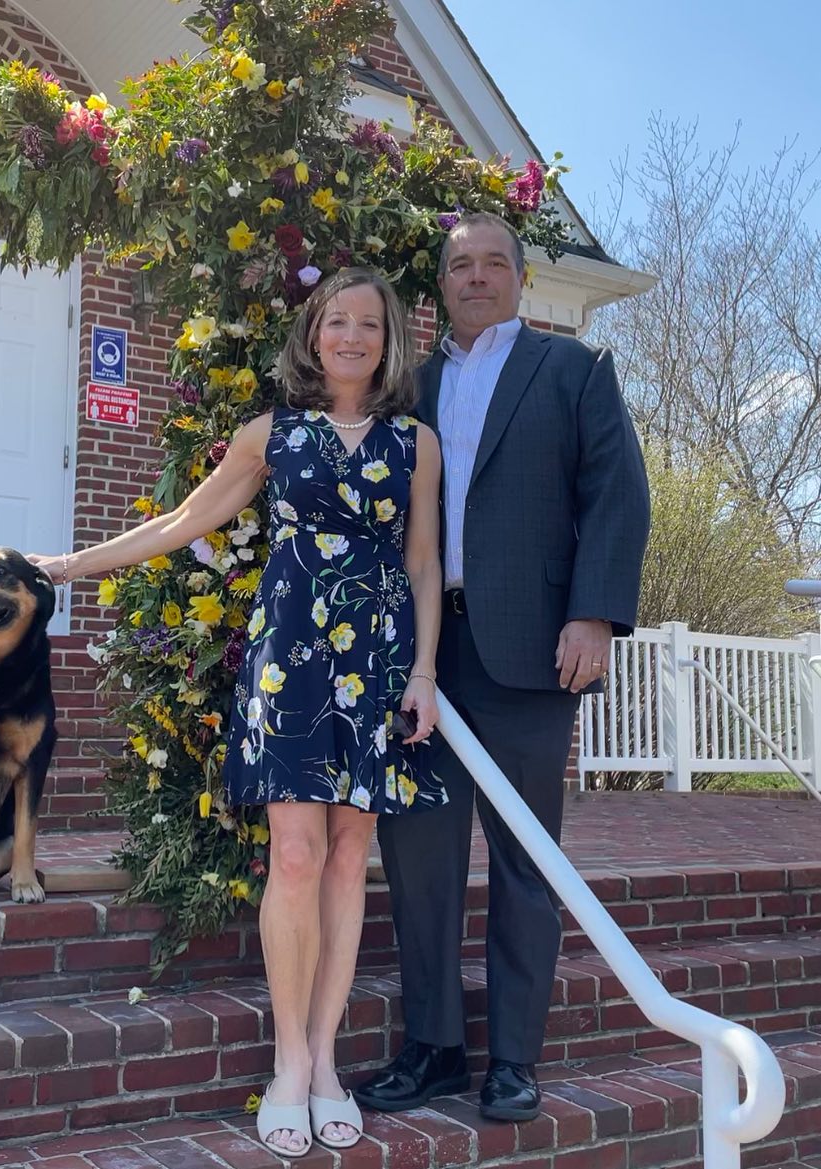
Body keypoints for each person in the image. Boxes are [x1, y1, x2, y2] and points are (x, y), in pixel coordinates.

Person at [30, 267, 448, 1157]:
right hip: (291, 657)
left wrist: (422, 671)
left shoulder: (417, 441)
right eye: (337, 320)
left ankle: (329, 1058)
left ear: (387, 341)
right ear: (313, 332)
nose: (351, 336)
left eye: (368, 324)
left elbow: (420, 562)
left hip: (373, 659)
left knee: (346, 858)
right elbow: (181, 520)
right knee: (294, 854)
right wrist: (69, 566)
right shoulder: (270, 433)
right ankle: (289, 1062)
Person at [354, 212, 650, 1123]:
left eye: (491, 264)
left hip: (529, 652)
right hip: (425, 655)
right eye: (458, 266)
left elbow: (616, 492)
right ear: (440, 283)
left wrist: (593, 613)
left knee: (526, 860)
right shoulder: (410, 384)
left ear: (518, 278)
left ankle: (514, 1058)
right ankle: (435, 1047)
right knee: (421, 860)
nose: (474, 277)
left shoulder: (573, 371)